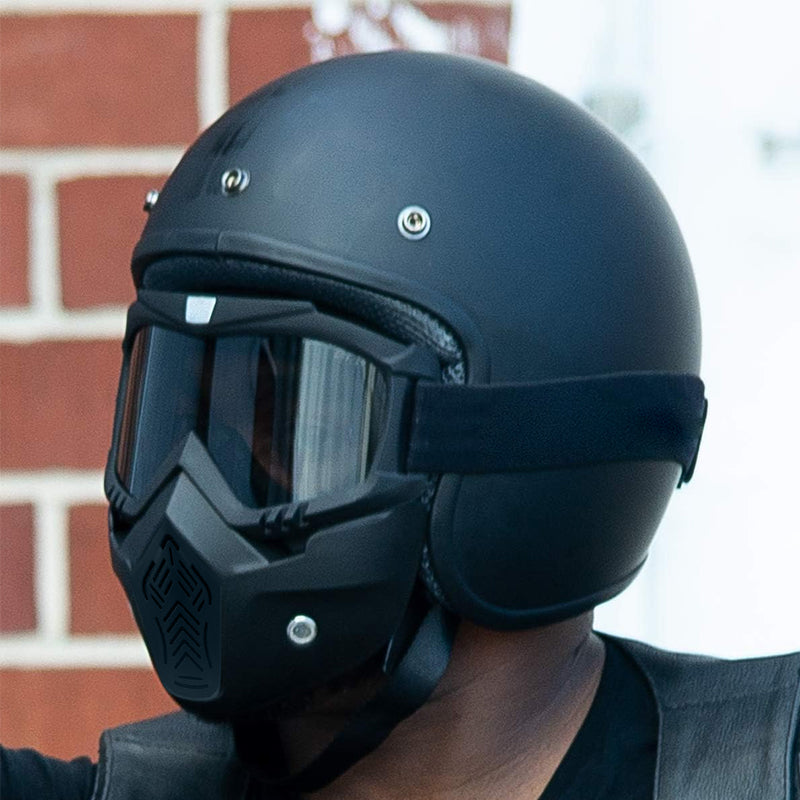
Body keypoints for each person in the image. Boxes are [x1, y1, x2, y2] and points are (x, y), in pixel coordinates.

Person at [2, 51, 799, 800]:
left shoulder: (762, 772)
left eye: (296, 431)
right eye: (181, 417)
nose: (186, 505)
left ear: (531, 474)